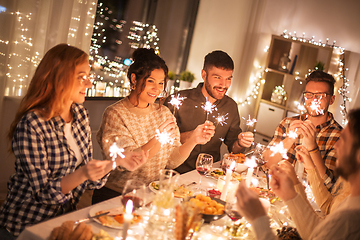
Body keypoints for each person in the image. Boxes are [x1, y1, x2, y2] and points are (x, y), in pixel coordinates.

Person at [0, 44, 147, 239]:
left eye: (88, 76)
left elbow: (90, 179)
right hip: (26, 226)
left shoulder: (79, 115)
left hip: (63, 221)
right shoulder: (33, 124)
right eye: (81, 77)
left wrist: (117, 161)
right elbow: (44, 194)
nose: (88, 84)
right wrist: (83, 173)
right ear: (59, 78)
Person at [92, 48, 214, 204]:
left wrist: (193, 140)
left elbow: (171, 161)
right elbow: (129, 163)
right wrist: (158, 138)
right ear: (134, 79)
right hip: (116, 196)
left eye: (161, 83)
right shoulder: (115, 114)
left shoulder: (164, 113)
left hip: (150, 195)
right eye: (151, 81)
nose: (157, 89)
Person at [235, 108, 360, 240]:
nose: (336, 146)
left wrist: (258, 219)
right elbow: (319, 230)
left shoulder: (351, 220)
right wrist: (290, 192)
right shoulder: (351, 199)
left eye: (344, 140)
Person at [164, 50, 254, 174]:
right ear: (204, 74)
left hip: (210, 174)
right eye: (217, 78)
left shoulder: (231, 106)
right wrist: (192, 136)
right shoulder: (178, 100)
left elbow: (233, 148)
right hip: (176, 172)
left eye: (228, 79)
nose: (223, 85)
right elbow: (161, 140)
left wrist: (240, 142)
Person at [263, 70, 342, 191]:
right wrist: (289, 139)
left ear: (331, 100)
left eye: (320, 95)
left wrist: (313, 147)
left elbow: (330, 184)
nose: (313, 100)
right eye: (309, 95)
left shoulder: (339, 137)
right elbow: (268, 164)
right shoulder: (287, 124)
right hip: (278, 193)